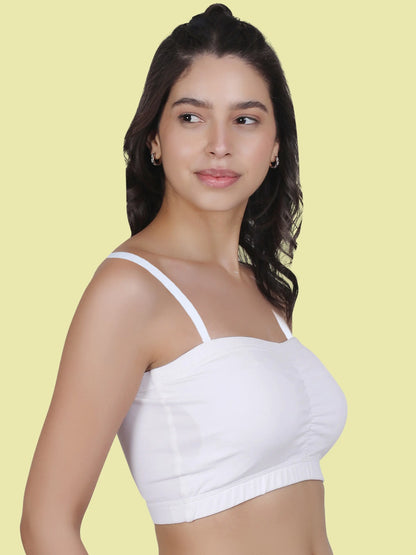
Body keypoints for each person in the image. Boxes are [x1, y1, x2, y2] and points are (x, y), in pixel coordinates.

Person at [20, 4, 347, 554]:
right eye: (191, 117)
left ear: (275, 146)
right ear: (155, 138)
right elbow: (45, 523)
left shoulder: (260, 288)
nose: (219, 144)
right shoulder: (131, 291)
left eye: (245, 119)